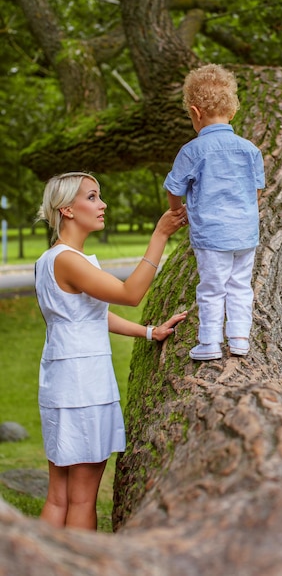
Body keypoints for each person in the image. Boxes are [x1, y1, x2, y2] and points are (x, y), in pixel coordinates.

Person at [34, 171, 187, 530]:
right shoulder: (70, 260)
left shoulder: (49, 260)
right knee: (82, 499)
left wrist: (149, 332)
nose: (102, 205)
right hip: (83, 386)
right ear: (67, 210)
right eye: (92, 197)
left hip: (62, 382)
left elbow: (91, 317)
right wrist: (160, 234)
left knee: (59, 496)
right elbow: (131, 294)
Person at [163, 63, 265, 361]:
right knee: (239, 286)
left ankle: (209, 342)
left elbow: (173, 188)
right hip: (245, 233)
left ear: (195, 113)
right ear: (232, 112)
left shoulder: (193, 150)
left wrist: (176, 210)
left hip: (212, 235)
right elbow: (256, 192)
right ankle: (239, 339)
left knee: (211, 287)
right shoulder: (250, 150)